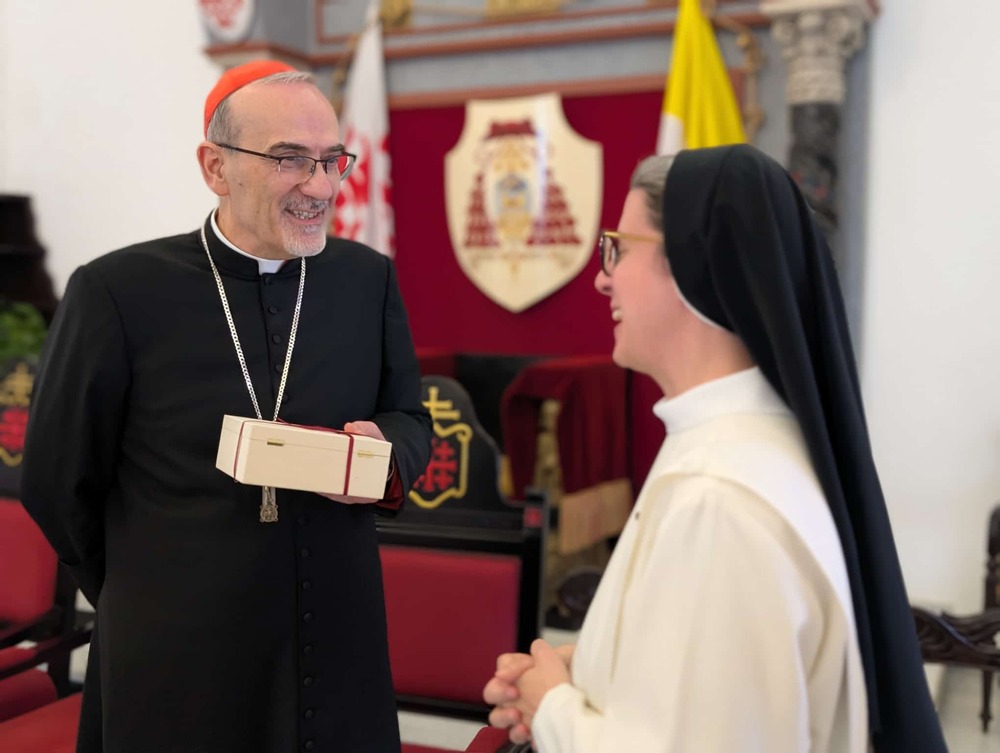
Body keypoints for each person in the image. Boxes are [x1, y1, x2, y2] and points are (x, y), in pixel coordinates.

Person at [21, 60, 431, 753]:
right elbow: (57, 481)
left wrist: (383, 455)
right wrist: (147, 583)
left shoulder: (367, 280)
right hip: (177, 661)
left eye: (332, 160)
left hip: (336, 639)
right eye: (289, 160)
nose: (322, 186)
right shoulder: (118, 292)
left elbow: (410, 419)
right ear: (215, 167)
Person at [483, 145, 946, 752]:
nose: (602, 276)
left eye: (618, 248)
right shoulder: (726, 450)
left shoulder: (721, 499)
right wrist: (588, 668)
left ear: (694, 264)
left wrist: (553, 707)